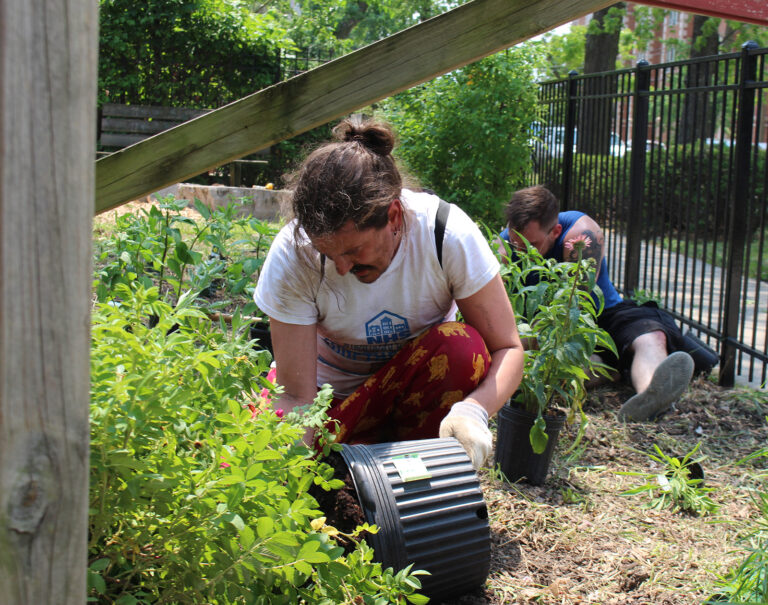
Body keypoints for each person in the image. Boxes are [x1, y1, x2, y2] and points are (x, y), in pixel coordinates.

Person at [253, 116, 524, 469]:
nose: (341, 268)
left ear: (394, 215)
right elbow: (297, 396)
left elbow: (508, 347)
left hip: (417, 400)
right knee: (260, 460)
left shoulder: (444, 234)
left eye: (353, 252)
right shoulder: (294, 251)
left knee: (461, 348)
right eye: (328, 254)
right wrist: (285, 469)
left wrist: (474, 410)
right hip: (326, 401)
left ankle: (418, 471)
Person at [499, 185, 697, 421]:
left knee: (651, 335)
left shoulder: (581, 234)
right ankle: (611, 370)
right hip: (552, 333)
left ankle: (650, 397)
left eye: (531, 244)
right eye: (515, 243)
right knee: (551, 370)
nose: (521, 251)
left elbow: (575, 305)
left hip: (603, 314)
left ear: (556, 231)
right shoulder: (502, 246)